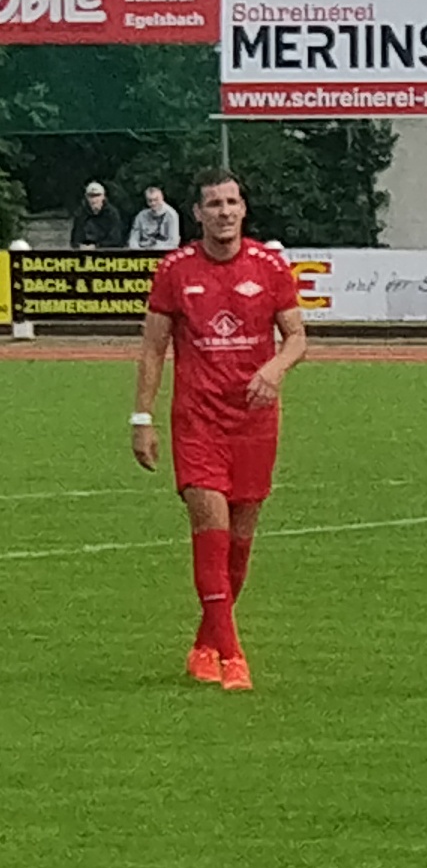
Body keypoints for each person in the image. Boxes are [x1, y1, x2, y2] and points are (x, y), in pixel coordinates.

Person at [130, 168, 307, 693]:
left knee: (239, 541)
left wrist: (274, 369)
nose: (224, 212)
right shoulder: (175, 270)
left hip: (254, 422)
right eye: (214, 204)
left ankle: (205, 644)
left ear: (243, 209)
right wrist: (142, 418)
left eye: (232, 202)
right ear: (197, 214)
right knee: (211, 529)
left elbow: (297, 337)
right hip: (198, 421)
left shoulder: (270, 266)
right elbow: (153, 350)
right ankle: (233, 657)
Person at [72, 181, 124, 249]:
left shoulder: (112, 214)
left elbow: (116, 239)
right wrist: (81, 246)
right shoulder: (81, 213)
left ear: (103, 196)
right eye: (91, 196)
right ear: (86, 197)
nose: (94, 200)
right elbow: (75, 239)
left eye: (97, 196)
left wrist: (96, 246)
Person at [129, 186, 181, 250]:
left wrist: (154, 247)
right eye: (150, 201)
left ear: (162, 198)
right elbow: (133, 240)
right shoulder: (141, 216)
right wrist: (138, 249)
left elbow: (173, 243)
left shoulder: (171, 215)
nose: (153, 203)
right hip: (143, 252)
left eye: (156, 200)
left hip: (164, 252)